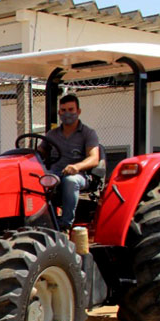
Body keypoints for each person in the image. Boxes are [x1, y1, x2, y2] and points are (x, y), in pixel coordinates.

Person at [44, 94, 99, 231]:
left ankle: (65, 223)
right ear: (59, 113)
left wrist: (77, 166)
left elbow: (94, 158)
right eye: (63, 110)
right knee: (36, 181)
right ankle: (40, 219)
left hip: (79, 175)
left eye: (71, 109)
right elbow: (40, 151)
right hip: (55, 173)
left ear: (78, 111)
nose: (67, 113)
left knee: (70, 181)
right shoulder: (52, 135)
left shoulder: (88, 133)